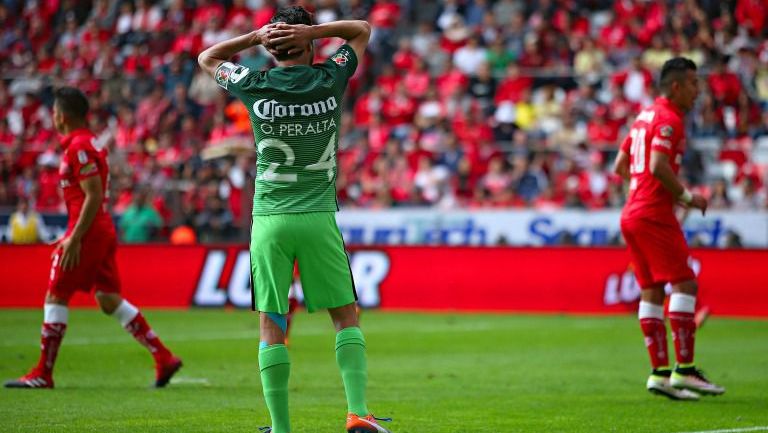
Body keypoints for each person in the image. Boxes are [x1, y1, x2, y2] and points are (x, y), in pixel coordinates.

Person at [198, 8, 390, 433]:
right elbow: (362, 30)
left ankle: (281, 428)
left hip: (269, 219)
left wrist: (254, 36)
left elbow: (207, 58)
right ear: (309, 44)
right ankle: (357, 412)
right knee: (345, 316)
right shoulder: (330, 78)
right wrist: (315, 30)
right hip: (319, 216)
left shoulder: (254, 84)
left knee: (271, 321)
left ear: (272, 48)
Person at [4, 87, 182, 389]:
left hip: (87, 232)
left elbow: (93, 195)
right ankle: (163, 357)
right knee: (108, 299)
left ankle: (43, 372)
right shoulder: (87, 144)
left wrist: (73, 237)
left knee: (56, 294)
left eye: (54, 113)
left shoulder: (80, 147)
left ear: (61, 116)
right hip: (100, 229)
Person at [613, 58, 725, 401]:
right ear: (675, 87)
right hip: (653, 214)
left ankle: (660, 374)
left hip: (631, 213)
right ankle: (686, 371)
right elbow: (658, 165)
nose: (698, 90)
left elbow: (620, 166)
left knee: (651, 291)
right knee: (685, 283)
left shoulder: (644, 116)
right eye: (693, 83)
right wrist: (688, 197)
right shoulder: (669, 119)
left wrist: (642, 191)